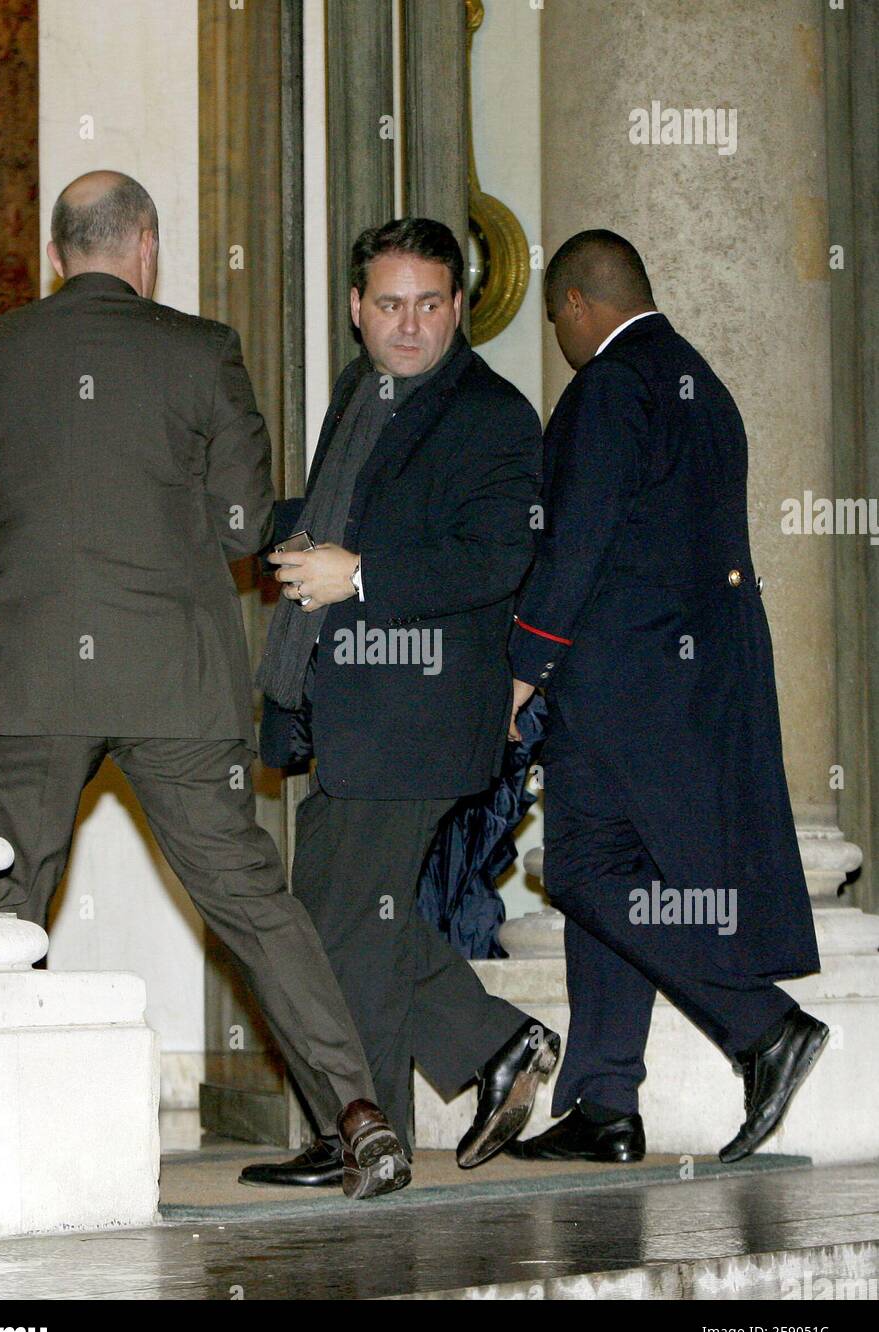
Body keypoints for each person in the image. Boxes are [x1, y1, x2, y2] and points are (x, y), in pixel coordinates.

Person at [0, 169, 408, 1200]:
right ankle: (357, 1113)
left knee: (0, 908)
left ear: (56, 254)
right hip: (174, 675)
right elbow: (239, 527)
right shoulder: (200, 349)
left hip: (29, 673)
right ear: (146, 249)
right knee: (255, 905)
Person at [239, 218, 558, 1190]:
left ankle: (361, 1134)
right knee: (345, 920)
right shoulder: (359, 391)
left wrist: (361, 576)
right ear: (354, 309)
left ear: (460, 307)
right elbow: (344, 515)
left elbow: (497, 554)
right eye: (388, 305)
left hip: (420, 712)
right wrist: (272, 532)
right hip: (348, 705)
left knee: (335, 928)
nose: (408, 325)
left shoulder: (491, 413)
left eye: (429, 304)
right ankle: (489, 1047)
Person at [506, 229, 827, 1166]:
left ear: (575, 304)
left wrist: (523, 667)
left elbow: (577, 543)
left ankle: (762, 1027)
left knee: (580, 871)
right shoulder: (700, 383)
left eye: (555, 320)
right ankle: (605, 1103)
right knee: (617, 873)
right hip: (689, 690)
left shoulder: (609, 384)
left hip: (617, 686)